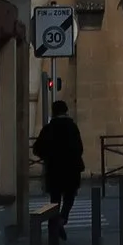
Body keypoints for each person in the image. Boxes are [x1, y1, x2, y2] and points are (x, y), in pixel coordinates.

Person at [33, 98, 85, 235]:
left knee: (54, 199)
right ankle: (62, 218)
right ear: (66, 111)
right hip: (71, 169)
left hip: (54, 169)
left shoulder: (48, 129)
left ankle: (53, 225)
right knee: (70, 195)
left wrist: (48, 156)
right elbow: (79, 148)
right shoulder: (72, 128)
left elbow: (37, 148)